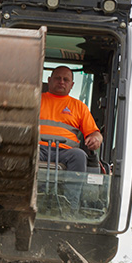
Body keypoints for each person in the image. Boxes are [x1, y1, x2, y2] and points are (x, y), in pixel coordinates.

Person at [39, 66, 101, 209]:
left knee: (79, 155)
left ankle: (70, 206)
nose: (61, 82)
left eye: (66, 79)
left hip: (66, 152)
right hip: (39, 147)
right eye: (57, 78)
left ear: (72, 85)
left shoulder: (79, 107)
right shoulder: (36, 100)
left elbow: (94, 133)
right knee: (27, 154)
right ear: (49, 80)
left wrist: (96, 139)